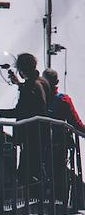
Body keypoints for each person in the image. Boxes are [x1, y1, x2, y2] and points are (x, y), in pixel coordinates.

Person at [0, 53, 50, 188]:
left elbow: (20, 111)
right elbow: (32, 99)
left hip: (31, 135)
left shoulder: (30, 87)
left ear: (21, 70)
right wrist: (19, 84)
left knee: (26, 175)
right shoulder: (41, 83)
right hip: (40, 134)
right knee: (36, 168)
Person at [42, 68, 84, 206]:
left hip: (50, 143)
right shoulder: (62, 99)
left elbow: (75, 123)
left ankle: (56, 200)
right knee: (58, 173)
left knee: (53, 172)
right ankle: (60, 201)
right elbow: (75, 122)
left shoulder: (43, 97)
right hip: (57, 143)